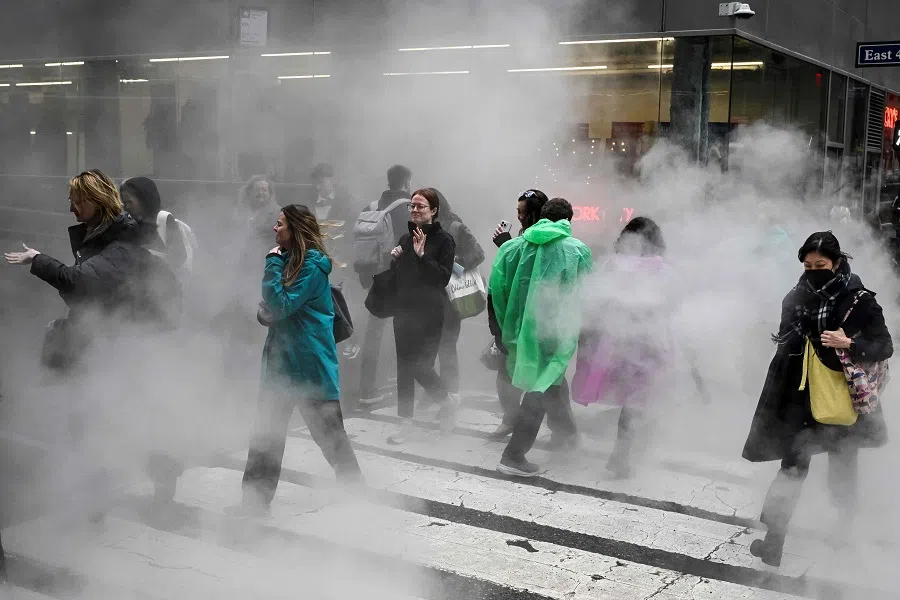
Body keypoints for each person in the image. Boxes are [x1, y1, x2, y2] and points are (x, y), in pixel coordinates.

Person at [742, 232, 892, 566]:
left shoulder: (860, 300)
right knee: (794, 461)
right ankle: (774, 540)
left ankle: (844, 529)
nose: (813, 272)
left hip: (845, 397)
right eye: (807, 266)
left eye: (820, 265)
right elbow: (784, 339)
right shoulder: (796, 296)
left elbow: (885, 345)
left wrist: (848, 342)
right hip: (801, 395)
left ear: (837, 262)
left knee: (842, 462)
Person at [236, 204, 362, 515]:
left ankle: (355, 489)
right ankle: (254, 503)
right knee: (266, 434)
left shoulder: (312, 266)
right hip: (281, 363)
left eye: (280, 225)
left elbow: (280, 304)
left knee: (329, 433)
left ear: (295, 230)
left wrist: (271, 263)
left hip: (309, 364)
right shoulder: (291, 261)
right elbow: (274, 306)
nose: (274, 230)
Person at [490, 198, 593, 476]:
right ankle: (513, 455)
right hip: (557, 333)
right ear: (568, 220)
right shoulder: (577, 250)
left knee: (552, 384)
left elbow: (496, 292)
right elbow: (587, 295)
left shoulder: (511, 248)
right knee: (542, 385)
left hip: (522, 331)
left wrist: (506, 330)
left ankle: (568, 437)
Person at [575, 217, 671, 479]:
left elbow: (593, 299)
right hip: (648, 343)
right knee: (639, 402)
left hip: (614, 342)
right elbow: (670, 302)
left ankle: (622, 454)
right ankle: (624, 455)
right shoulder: (659, 268)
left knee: (631, 401)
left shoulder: (611, 265)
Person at [387, 188, 457, 445]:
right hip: (404, 311)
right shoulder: (406, 238)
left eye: (421, 206)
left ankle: (446, 400)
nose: (415, 210)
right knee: (403, 368)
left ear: (434, 210)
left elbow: (442, 277)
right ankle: (405, 423)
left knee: (420, 366)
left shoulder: (445, 240)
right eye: (412, 206)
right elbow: (403, 278)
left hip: (430, 312)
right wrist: (396, 260)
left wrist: (422, 255)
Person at [358, 164, 413, 404]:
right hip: (402, 278)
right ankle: (408, 386)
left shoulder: (371, 207)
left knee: (374, 332)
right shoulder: (411, 208)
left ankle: (367, 389)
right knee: (410, 330)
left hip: (376, 276)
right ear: (406, 182)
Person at [433, 188, 485, 400]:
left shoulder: (455, 227)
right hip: (429, 296)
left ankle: (451, 394)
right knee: (430, 347)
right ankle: (438, 392)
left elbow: (478, 253)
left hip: (451, 297)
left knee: (446, 346)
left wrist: (455, 265)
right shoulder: (421, 228)